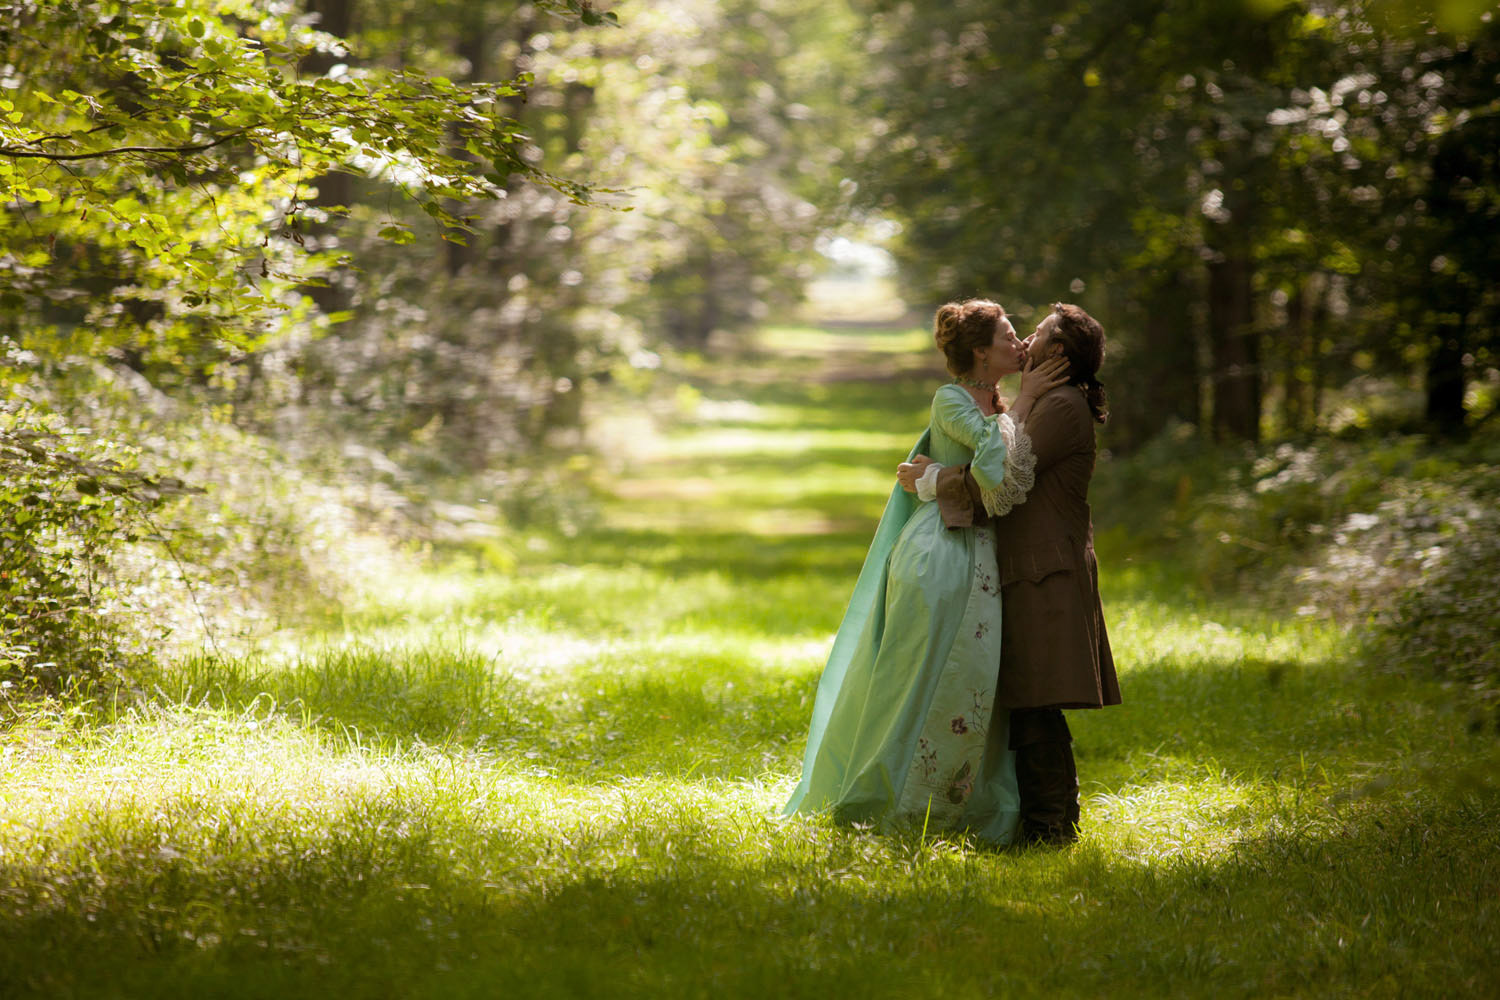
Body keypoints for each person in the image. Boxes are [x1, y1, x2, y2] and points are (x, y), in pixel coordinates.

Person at [783, 298, 1068, 843]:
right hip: (940, 554)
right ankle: (891, 797)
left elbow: (999, 474)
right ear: (981, 353)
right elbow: (996, 475)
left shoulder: (993, 401)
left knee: (970, 679)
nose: (1021, 344)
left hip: (978, 555)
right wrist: (1024, 402)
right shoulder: (953, 399)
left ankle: (955, 803)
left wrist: (943, 468)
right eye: (1009, 337)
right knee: (918, 674)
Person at [897, 302, 1120, 846]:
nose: (1026, 339)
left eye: (1038, 333)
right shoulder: (1038, 402)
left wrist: (932, 480)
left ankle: (1052, 825)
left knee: (1036, 701)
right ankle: (1038, 819)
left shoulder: (1059, 407)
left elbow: (1000, 480)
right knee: (1025, 698)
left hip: (1046, 568)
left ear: (1057, 353)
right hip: (1028, 566)